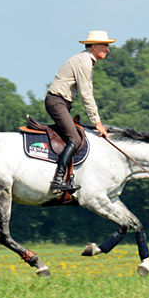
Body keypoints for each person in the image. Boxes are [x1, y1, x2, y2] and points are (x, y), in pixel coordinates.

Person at [45, 30, 114, 193]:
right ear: (95, 46)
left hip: (60, 103)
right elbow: (86, 94)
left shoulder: (85, 60)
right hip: (57, 102)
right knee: (74, 138)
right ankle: (58, 180)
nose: (108, 49)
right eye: (105, 45)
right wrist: (98, 123)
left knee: (72, 136)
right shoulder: (84, 62)